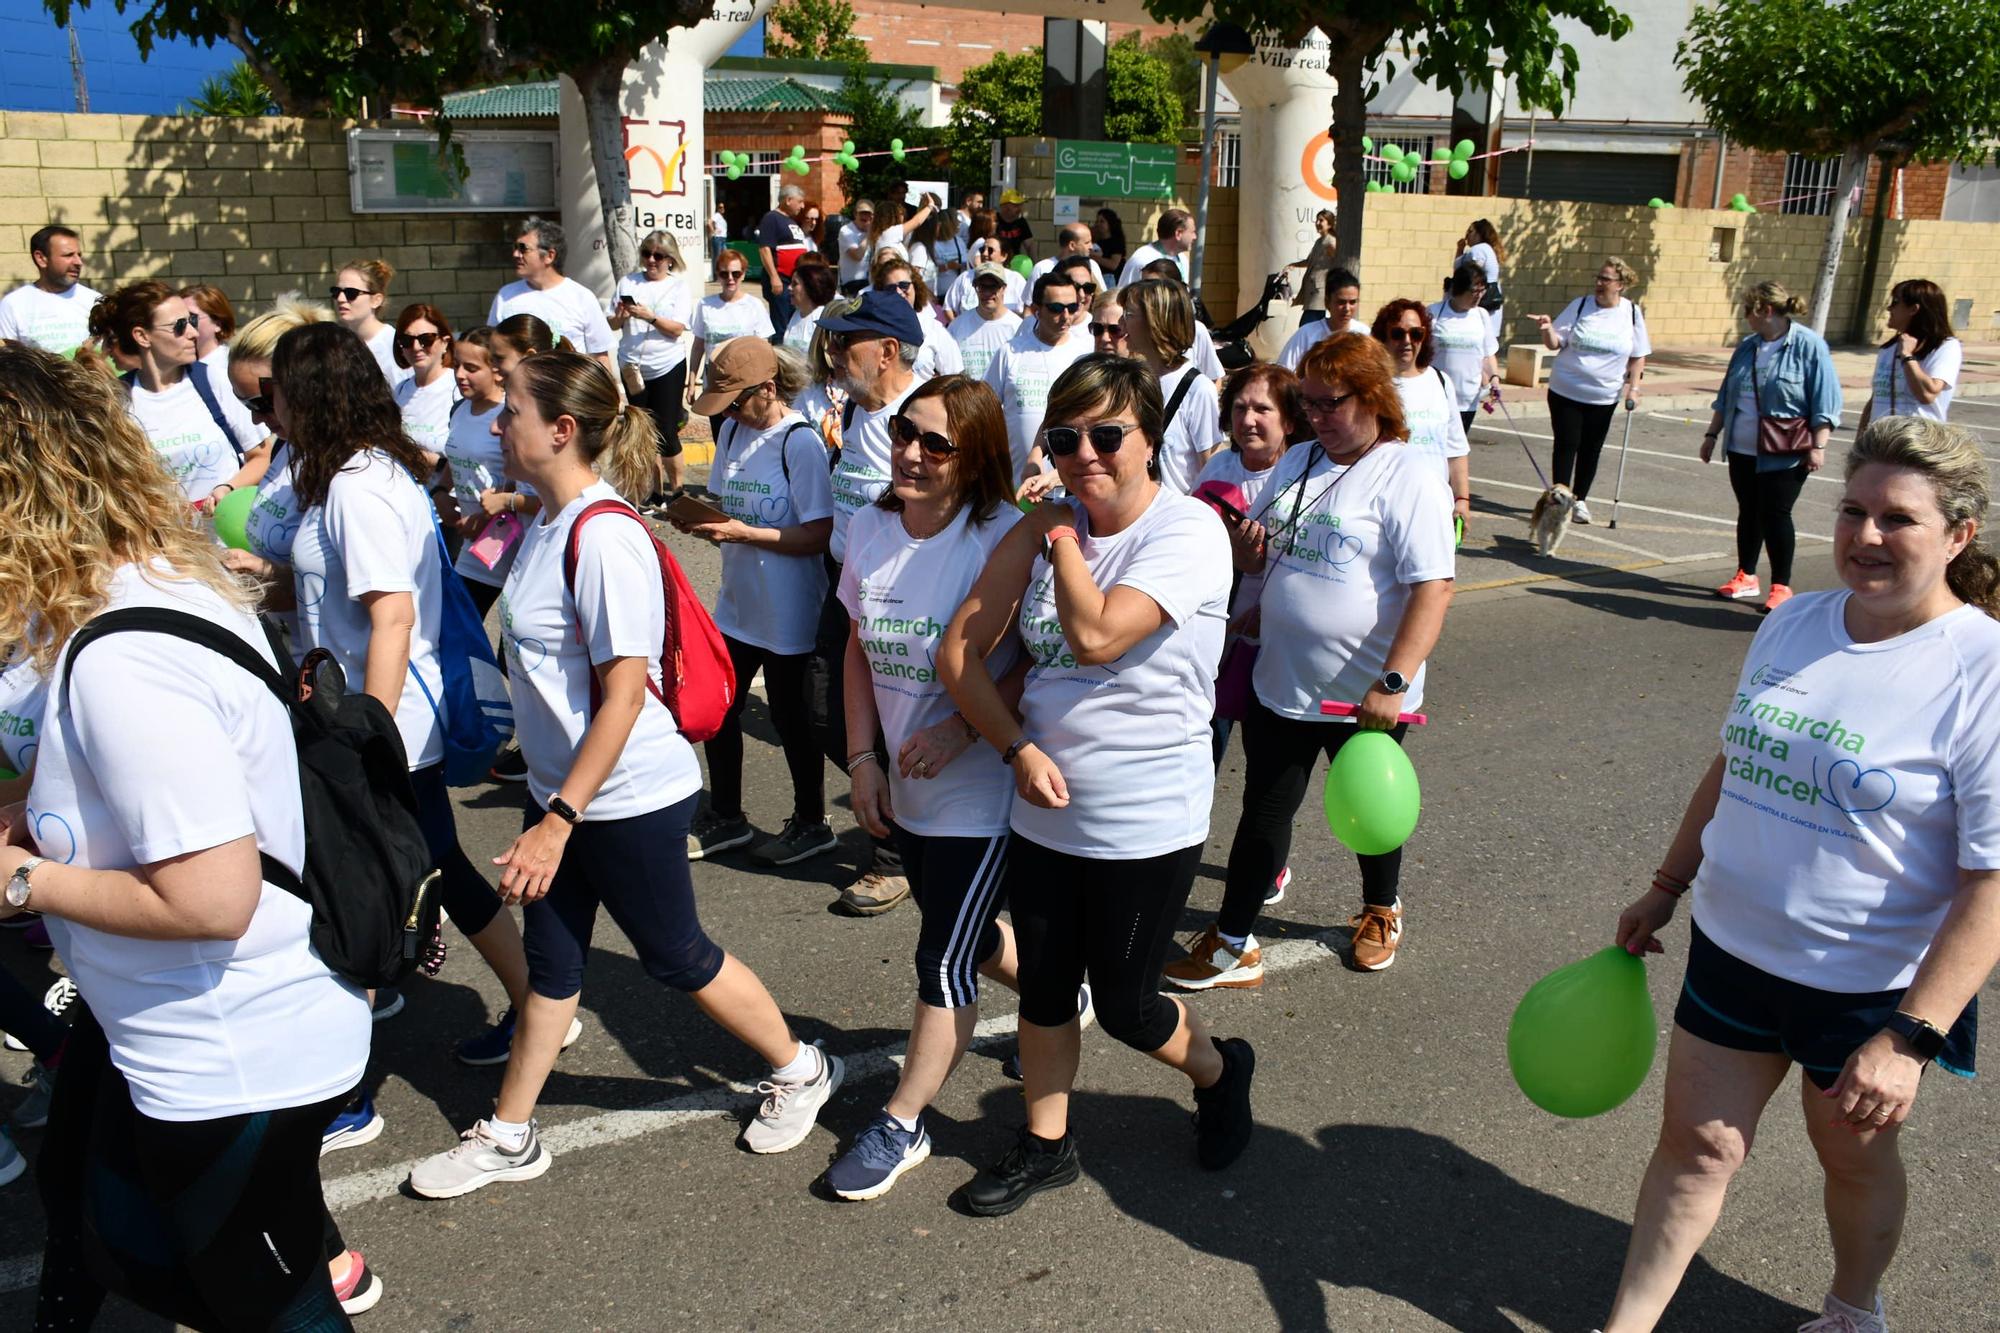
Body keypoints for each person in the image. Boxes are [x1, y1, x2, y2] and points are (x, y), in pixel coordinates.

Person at [0, 342, 380, 1324]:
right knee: (126, 1236)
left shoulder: (122, 654)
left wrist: (19, 883)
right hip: (190, 1034)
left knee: (264, 1299)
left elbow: (212, 896)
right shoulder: (149, 576)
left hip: (230, 1052)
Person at [409, 349, 845, 1198]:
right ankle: (509, 1131)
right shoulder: (543, 518)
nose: (497, 425)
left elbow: (619, 697)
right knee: (555, 962)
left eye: (513, 414)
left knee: (677, 955)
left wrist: (556, 818)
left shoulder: (604, 536)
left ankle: (800, 1065)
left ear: (561, 430)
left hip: (624, 796)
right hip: (564, 792)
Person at [1603, 415, 2000, 1333]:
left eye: (1898, 519)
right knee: (1696, 1146)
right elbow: (1733, 762)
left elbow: (1990, 882)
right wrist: (1666, 883)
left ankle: (1854, 1311)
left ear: (1958, 535)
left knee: (1852, 1160)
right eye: (1853, 510)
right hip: (1732, 949)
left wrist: (1908, 1038)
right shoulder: (1797, 623)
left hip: (1868, 988)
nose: (1865, 535)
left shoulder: (1979, 669)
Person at [938, 354, 1254, 1215]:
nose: (1085, 453)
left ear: (1149, 438)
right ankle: (1047, 1143)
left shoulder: (1185, 533)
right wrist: (1010, 749)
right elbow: (958, 653)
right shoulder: (1041, 529)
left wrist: (1065, 534)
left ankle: (1222, 1071)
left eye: (1107, 434)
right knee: (1043, 988)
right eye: (1065, 436)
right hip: (1043, 815)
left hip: (1144, 821)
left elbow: (1097, 636)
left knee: (1125, 1007)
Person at [273, 321, 547, 1071]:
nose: (271, 411)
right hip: (377, 713)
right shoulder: (364, 473)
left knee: (370, 876)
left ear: (311, 398)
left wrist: (369, 736)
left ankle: (350, 1073)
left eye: (279, 394)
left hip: (376, 717)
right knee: (432, 862)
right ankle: (538, 1007)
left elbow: (392, 614)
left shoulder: (356, 488)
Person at [1180, 334, 1455, 988]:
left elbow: (1434, 586)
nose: (1317, 418)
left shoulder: (1409, 471)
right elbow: (1270, 555)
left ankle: (1381, 909)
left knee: (1370, 812)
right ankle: (1235, 939)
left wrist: (1393, 682)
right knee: (1263, 814)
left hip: (1365, 694)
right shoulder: (1299, 459)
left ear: (1373, 398)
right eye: (1308, 405)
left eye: (1330, 404)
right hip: (1285, 682)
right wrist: (1248, 568)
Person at [824, 373, 1040, 1200]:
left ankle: (904, 1119)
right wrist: (861, 759)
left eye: (936, 443)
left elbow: (1034, 660)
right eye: (905, 434)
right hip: (903, 786)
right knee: (968, 932)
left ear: (975, 455)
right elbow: (855, 646)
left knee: (942, 956)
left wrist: (965, 727)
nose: (911, 453)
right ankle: (1061, 991)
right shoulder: (873, 527)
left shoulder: (1003, 538)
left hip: (981, 790)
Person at [676, 339, 838, 868]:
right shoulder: (732, 432)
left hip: (789, 607)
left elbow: (818, 534)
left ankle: (812, 823)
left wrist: (749, 534)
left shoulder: (800, 443)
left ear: (768, 388)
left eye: (736, 399)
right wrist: (702, 522)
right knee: (719, 708)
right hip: (737, 605)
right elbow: (725, 504)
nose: (728, 412)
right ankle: (726, 815)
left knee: (792, 721)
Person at [813, 291, 930, 916]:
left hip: (904, 590)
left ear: (887, 351)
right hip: (847, 583)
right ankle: (898, 824)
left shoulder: (929, 416)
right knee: (825, 712)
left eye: (843, 342)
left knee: (892, 724)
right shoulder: (861, 410)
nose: (831, 352)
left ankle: (893, 856)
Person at [1179, 363, 1310, 773]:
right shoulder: (1219, 467)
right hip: (1217, 631)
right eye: (1239, 408)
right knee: (1204, 742)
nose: (1247, 420)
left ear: (1289, 421)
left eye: (1262, 409)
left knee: (1267, 765)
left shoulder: (1302, 477)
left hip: (1271, 641)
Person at [1699, 280, 1841, 614]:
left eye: (1748, 310)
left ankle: (1781, 585)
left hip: (1786, 449)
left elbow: (1825, 399)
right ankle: (1746, 575)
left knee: (1776, 514)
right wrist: (1711, 435)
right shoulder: (1748, 347)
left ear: (1764, 310)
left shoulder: (1809, 346)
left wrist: (1818, 445)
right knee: (1749, 511)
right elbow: (1726, 396)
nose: (1745, 317)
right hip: (1742, 447)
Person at [220, 296, 334, 660]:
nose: (257, 420)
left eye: (262, 403)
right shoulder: (285, 447)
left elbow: (370, 605)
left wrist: (268, 574)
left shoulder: (344, 468)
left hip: (338, 672)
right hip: (292, 655)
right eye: (245, 405)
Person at [87, 281, 241, 512]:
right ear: (142, 336)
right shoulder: (118, 400)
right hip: (165, 544)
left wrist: (227, 487)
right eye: (180, 326)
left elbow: (261, 456)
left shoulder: (213, 380)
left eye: (192, 321)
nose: (193, 333)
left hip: (228, 542)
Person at [1530, 256, 1651, 526]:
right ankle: (1559, 499)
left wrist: (1634, 388)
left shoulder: (1631, 313)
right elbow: (1554, 343)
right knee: (1566, 444)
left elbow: (1638, 355)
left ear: (1620, 285)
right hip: (1566, 390)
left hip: (1604, 395)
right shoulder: (1580, 305)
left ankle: (1579, 499)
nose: (1599, 283)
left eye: (1605, 279)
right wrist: (1547, 329)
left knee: (1590, 449)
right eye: (1598, 278)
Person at [984, 272, 1093, 480]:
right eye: (1056, 308)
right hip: (1016, 482)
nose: (1066, 316)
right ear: (1036, 311)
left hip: (1068, 486)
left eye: (1072, 308)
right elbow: (985, 409)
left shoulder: (1084, 356)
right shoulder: (1010, 352)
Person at [1374, 297, 1471, 529]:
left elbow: (1455, 450)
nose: (1407, 341)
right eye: (1398, 334)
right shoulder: (1374, 385)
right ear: (1383, 338)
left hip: (1435, 506)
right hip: (1385, 507)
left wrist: (1462, 500)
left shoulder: (1440, 381)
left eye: (1416, 334)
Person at [1117, 278, 1221, 493]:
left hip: (1178, 517)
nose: (1120, 323)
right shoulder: (1131, 378)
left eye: (1128, 315)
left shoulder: (1198, 389)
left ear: (1154, 322)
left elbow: (1209, 470)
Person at [611, 229, 693, 497]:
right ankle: (654, 491)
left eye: (658, 255)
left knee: (667, 431)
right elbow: (610, 324)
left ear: (671, 259)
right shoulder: (628, 282)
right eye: (646, 254)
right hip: (632, 366)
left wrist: (649, 316)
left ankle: (677, 490)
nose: (651, 260)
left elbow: (677, 329)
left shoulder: (678, 287)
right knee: (642, 433)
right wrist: (621, 316)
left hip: (667, 364)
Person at [488, 216, 616, 374]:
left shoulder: (581, 297)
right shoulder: (505, 295)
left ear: (549, 255)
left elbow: (600, 357)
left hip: (566, 393)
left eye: (523, 248)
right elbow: (491, 348)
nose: (515, 254)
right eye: (515, 247)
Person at [687, 248, 776, 435]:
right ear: (717, 275)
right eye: (724, 273)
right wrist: (691, 382)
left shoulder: (754, 306)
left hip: (747, 389)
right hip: (715, 386)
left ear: (743, 274)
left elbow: (765, 350)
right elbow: (698, 346)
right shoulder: (705, 305)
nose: (730, 278)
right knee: (721, 441)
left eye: (736, 273)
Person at [181, 283, 271, 461]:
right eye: (178, 320)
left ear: (218, 323)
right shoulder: (180, 373)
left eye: (192, 318)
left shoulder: (226, 368)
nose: (184, 326)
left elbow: (258, 446)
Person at [1859, 277, 1963, 429]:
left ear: (1913, 309)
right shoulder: (1888, 349)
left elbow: (1927, 394)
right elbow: (1876, 399)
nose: (1889, 308)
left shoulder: (1945, 347)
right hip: (1882, 442)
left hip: (1918, 442)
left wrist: (1907, 356)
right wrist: (1861, 440)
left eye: (1895, 302)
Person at [0, 223, 101, 356]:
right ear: (41, 258)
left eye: (79, 255)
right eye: (68, 255)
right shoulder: (13, 305)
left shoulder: (95, 301)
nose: (78, 262)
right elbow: (7, 361)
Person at [1428, 261, 1503, 436]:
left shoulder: (1481, 315)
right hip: (1437, 396)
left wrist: (1494, 379)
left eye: (1482, 290)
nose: (1479, 296)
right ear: (1459, 289)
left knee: (1457, 452)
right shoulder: (1434, 312)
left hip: (1467, 400)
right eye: (1474, 291)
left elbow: (1488, 354)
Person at [392, 303, 461, 463]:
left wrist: (428, 460)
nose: (416, 347)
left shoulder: (458, 388)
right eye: (407, 340)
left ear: (445, 342)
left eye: (426, 339)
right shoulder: (401, 390)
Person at [874, 253, 962, 379]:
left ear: (915, 287)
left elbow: (955, 376)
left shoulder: (934, 329)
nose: (898, 292)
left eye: (904, 285)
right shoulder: (873, 330)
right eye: (891, 288)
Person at [330, 257, 408, 390]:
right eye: (336, 292)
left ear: (376, 300)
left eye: (351, 293)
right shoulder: (337, 344)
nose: (341, 299)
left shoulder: (394, 346)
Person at [1277, 267, 1368, 371]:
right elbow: (1283, 373)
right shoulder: (1306, 334)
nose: (1347, 308)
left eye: (1352, 302)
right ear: (1327, 301)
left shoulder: (1365, 334)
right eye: (1341, 302)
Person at [947, 262, 1023, 381]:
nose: (987, 293)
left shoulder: (1018, 327)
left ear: (1003, 288)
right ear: (975, 288)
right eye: (982, 287)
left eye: (993, 287)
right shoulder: (957, 326)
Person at [756, 183, 811, 330]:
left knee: (792, 323)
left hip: (793, 282)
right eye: (799, 201)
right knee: (781, 325)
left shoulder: (791, 221)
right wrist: (774, 277)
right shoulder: (772, 218)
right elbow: (764, 249)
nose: (802, 206)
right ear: (788, 200)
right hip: (782, 280)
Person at [944, 235, 1024, 317]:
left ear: (1003, 256)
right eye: (982, 250)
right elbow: (948, 307)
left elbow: (1026, 309)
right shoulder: (965, 277)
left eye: (990, 250)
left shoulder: (1016, 280)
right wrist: (958, 327)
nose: (984, 254)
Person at [1117, 208, 1195, 288]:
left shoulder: (1182, 259)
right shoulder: (1142, 259)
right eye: (1192, 232)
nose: (1195, 237)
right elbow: (1122, 294)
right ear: (1178, 233)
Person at [1286, 209, 1338, 326]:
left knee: (1306, 326)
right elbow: (1310, 261)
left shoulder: (1331, 242)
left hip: (1319, 291)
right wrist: (1294, 265)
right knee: (1313, 327)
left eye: (1321, 220)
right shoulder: (1319, 241)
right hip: (1312, 290)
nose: (1317, 223)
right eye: (1317, 220)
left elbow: (1337, 262)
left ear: (1329, 223)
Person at [781, 254, 838, 357]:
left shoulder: (823, 317)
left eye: (795, 284)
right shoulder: (797, 315)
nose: (789, 288)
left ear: (810, 286)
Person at [1027, 223, 1106, 293]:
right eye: (1087, 243)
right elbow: (1029, 306)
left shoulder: (1093, 265)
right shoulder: (1042, 268)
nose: (1091, 247)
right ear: (1072, 245)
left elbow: (1102, 298)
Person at [1454, 219, 1506, 314]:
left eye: (1470, 231)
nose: (1467, 235)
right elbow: (1459, 269)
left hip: (1480, 301)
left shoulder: (1478, 250)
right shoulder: (1485, 249)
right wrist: (1460, 249)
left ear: (1479, 234)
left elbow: (1472, 274)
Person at [837, 200, 876, 295]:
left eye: (868, 214)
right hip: (852, 283)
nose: (865, 217)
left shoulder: (873, 231)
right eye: (862, 213)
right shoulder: (846, 231)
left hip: (869, 282)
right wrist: (869, 234)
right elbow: (857, 256)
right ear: (855, 214)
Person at [993, 189, 1034, 261]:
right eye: (1016, 205)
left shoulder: (1021, 222)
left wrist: (1035, 265)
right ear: (1004, 206)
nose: (1020, 208)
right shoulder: (994, 220)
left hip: (1014, 264)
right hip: (995, 261)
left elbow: (1030, 246)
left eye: (1021, 205)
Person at [1088, 289, 1128, 356]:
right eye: (1097, 328)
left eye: (1115, 330)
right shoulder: (1082, 364)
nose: (1104, 338)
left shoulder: (1150, 364)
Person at [1091, 207, 1128, 277]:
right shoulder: (1097, 240)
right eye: (1097, 221)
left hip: (1113, 279)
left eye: (1102, 221)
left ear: (1110, 223)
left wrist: (1092, 257)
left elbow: (1113, 265)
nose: (1098, 224)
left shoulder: (1116, 242)